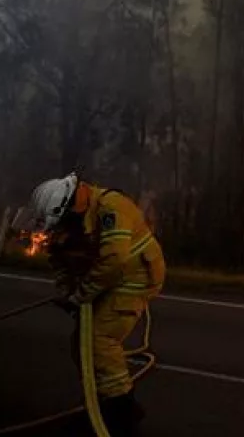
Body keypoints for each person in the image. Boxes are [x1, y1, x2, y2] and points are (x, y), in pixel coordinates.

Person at [28, 172, 166, 435]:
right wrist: (68, 291)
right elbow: (60, 258)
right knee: (80, 342)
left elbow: (114, 261)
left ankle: (121, 411)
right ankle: (97, 402)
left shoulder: (110, 207)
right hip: (106, 279)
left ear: (70, 205)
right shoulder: (74, 218)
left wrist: (80, 296)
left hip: (134, 279)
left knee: (99, 340)